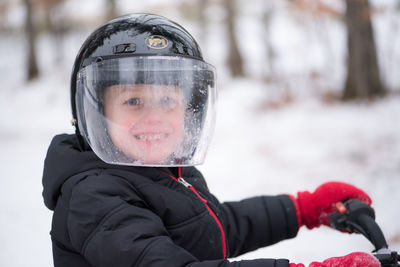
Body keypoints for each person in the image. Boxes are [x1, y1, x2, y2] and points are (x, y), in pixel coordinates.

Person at [42, 13, 381, 267]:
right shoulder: (92, 196)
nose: (154, 117)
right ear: (94, 112)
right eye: (133, 101)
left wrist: (303, 208)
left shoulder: (166, 170)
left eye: (167, 101)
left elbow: (215, 231)